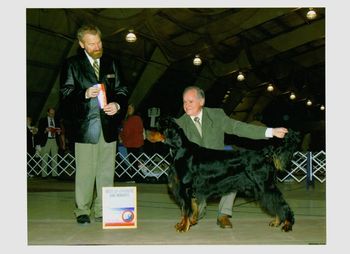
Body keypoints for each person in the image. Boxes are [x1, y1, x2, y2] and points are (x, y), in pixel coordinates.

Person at [175, 86, 288, 229]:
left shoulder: (216, 115)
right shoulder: (179, 124)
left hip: (219, 167)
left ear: (201, 101)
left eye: (190, 101)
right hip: (199, 174)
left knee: (234, 172)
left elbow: (238, 127)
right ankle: (194, 212)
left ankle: (223, 214)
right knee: (194, 204)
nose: (186, 105)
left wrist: (270, 131)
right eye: (184, 102)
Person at [60, 24, 128, 224]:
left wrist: (117, 104)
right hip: (85, 128)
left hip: (108, 126)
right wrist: (84, 94)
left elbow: (122, 90)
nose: (97, 46)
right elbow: (65, 95)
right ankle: (82, 209)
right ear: (82, 44)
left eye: (99, 41)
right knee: (85, 171)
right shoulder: (72, 64)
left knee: (107, 171)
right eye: (91, 44)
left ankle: (104, 210)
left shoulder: (112, 63)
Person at [120, 103, 145, 172]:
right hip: (130, 143)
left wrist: (122, 136)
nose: (129, 110)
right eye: (128, 108)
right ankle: (134, 175)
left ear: (134, 109)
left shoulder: (136, 118)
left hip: (135, 143)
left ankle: (136, 175)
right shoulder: (126, 119)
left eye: (131, 108)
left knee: (134, 161)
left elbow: (129, 131)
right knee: (132, 161)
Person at [37, 108, 61, 178]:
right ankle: (44, 175)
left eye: (53, 113)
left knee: (55, 157)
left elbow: (59, 130)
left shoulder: (56, 120)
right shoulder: (42, 120)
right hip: (46, 140)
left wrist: (59, 132)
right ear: (47, 113)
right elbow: (39, 131)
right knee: (45, 157)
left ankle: (54, 174)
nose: (52, 115)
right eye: (51, 113)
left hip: (54, 140)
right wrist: (45, 130)